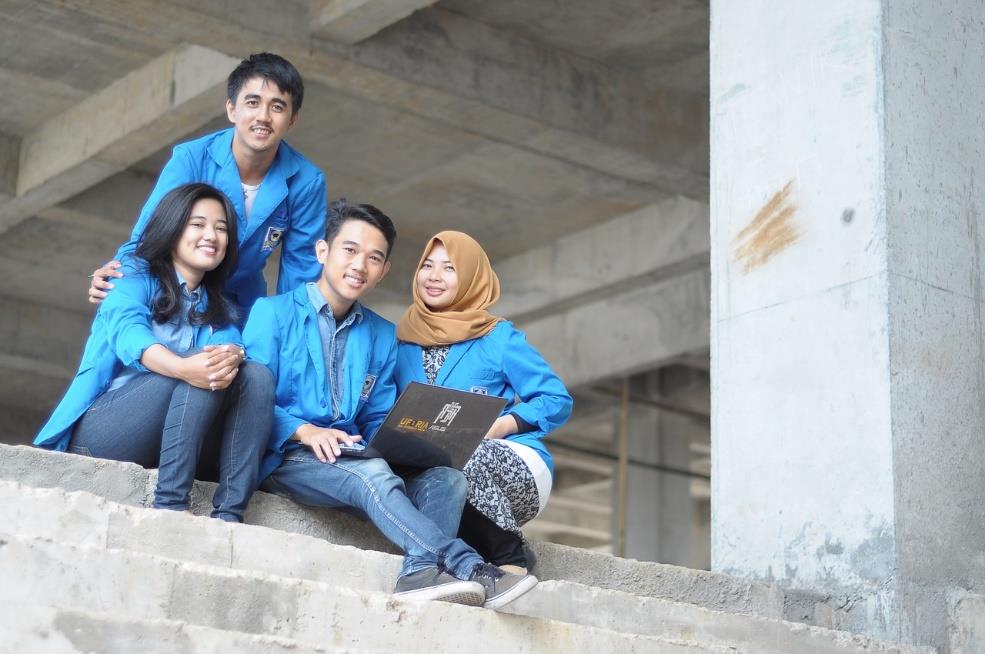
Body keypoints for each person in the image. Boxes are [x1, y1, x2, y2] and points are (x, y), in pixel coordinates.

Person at [243, 200, 537, 609]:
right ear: (322, 251)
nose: (359, 265)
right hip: (289, 456)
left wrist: (410, 439)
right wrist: (304, 430)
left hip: (350, 454)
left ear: (383, 272)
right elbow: (249, 398)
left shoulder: (382, 334)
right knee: (372, 476)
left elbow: (378, 414)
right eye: (349, 250)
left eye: (374, 258)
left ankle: (418, 572)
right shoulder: (271, 314)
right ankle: (470, 567)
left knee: (446, 479)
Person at [35, 183, 273, 523]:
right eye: (198, 224)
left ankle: (230, 514)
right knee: (199, 369)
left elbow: (231, 348)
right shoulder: (130, 276)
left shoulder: (219, 308)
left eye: (221, 229)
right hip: (104, 433)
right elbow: (130, 336)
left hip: (166, 443)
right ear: (173, 228)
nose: (212, 235)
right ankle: (171, 505)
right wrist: (182, 367)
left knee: (254, 373)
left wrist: (234, 353)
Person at [88, 52, 325, 318]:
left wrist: (285, 337)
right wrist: (119, 274)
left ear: (292, 120)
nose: (263, 117)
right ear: (232, 109)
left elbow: (300, 276)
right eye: (253, 102)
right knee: (119, 296)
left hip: (239, 305)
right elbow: (148, 237)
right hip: (173, 289)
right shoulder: (192, 158)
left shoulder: (306, 182)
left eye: (277, 107)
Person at [394, 231, 573, 574]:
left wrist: (502, 425)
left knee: (460, 451)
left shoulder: (498, 337)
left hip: (512, 464)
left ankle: (511, 555)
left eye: (449, 268)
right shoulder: (400, 343)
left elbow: (555, 399)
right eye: (427, 265)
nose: (433, 276)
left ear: (472, 278)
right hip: (439, 473)